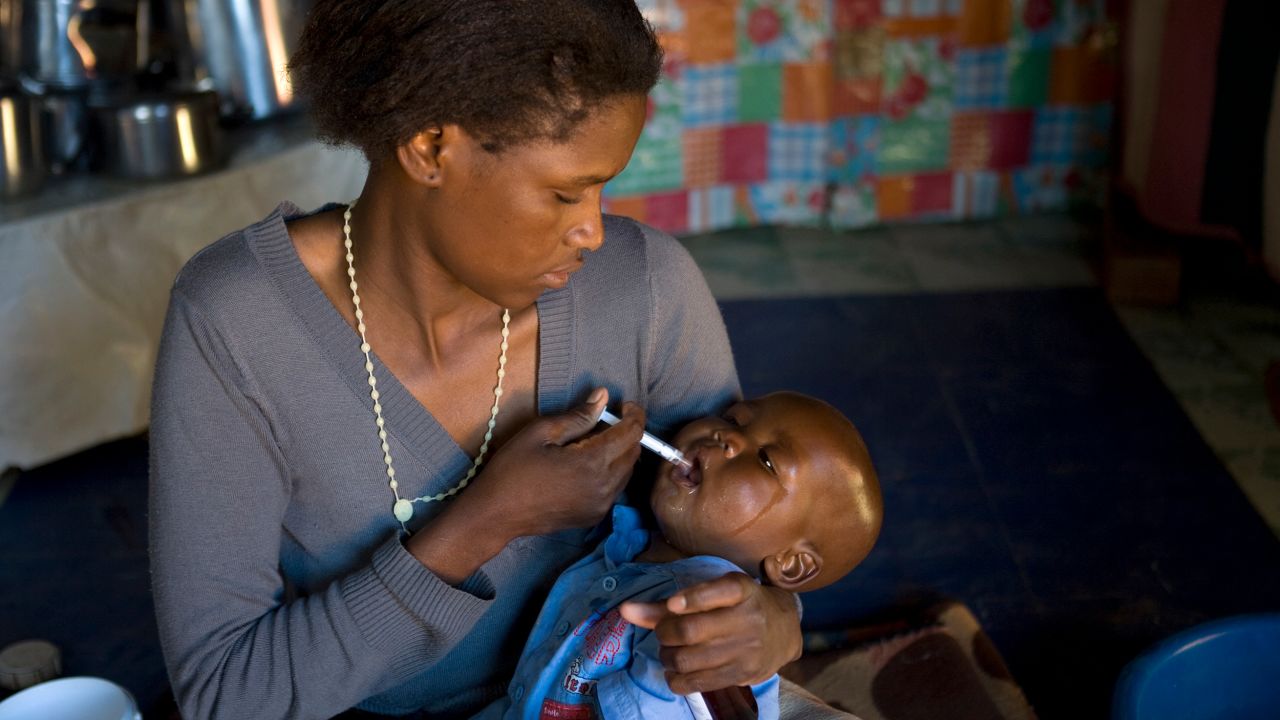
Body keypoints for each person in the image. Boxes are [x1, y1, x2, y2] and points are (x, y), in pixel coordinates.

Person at [147, 2, 812, 718]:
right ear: (431, 147)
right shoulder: (239, 325)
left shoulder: (646, 288)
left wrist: (775, 622)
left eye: (601, 187)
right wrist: (485, 521)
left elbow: (753, 558)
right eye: (564, 193)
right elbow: (226, 697)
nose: (592, 229)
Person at [495, 392, 883, 720]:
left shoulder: (720, 619)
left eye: (767, 461)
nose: (726, 437)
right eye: (733, 419)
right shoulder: (627, 545)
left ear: (791, 563)